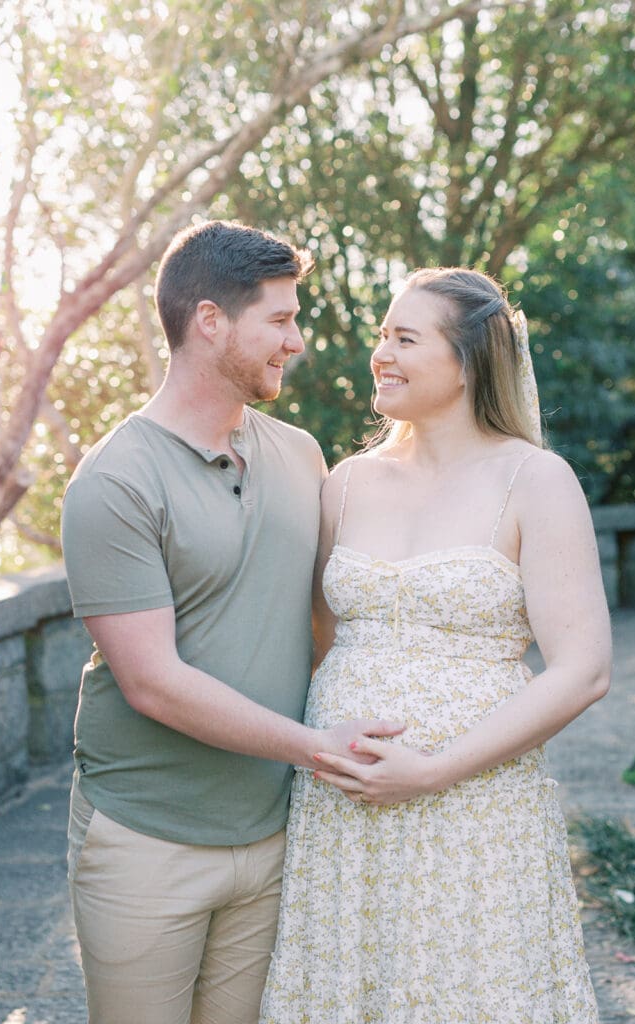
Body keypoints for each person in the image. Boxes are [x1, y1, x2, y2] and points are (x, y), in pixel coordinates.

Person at [60, 219, 402, 1024]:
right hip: (147, 843)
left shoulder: (303, 456)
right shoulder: (115, 481)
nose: (299, 341)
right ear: (210, 320)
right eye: (280, 319)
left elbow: (332, 623)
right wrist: (320, 749)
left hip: (277, 837)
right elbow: (154, 684)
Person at [259, 267, 612, 1024]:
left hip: (476, 810)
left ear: (469, 360)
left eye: (405, 338)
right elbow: (322, 642)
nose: (379, 353)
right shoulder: (345, 482)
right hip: (343, 815)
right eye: (382, 335)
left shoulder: (536, 480)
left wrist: (431, 771)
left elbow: (582, 671)